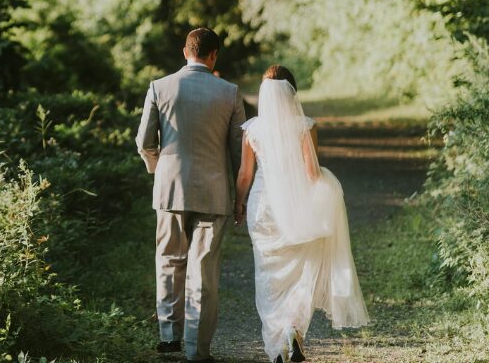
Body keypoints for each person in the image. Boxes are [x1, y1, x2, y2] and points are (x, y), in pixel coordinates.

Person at [234, 65, 370, 363]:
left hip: (263, 207)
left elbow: (245, 174)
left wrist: (238, 203)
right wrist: (328, 190)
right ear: (292, 92)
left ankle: (277, 345)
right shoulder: (305, 126)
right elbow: (311, 173)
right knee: (301, 271)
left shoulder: (253, 129)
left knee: (268, 274)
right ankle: (293, 330)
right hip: (296, 206)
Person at [136, 28, 246, 362]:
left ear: (185, 51)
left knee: (169, 261)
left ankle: (169, 340)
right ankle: (197, 349)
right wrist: (240, 197)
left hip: (170, 188)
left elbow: (144, 142)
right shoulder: (230, 93)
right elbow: (239, 153)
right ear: (214, 55)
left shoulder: (159, 87)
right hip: (214, 193)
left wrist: (159, 169)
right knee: (204, 269)